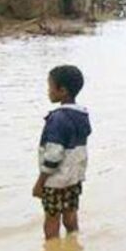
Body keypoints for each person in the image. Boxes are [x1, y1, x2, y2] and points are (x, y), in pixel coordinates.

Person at [33, 65, 92, 240]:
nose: (48, 91)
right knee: (70, 214)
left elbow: (53, 155)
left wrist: (40, 182)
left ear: (62, 91)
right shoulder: (82, 115)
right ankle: (73, 245)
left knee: (51, 219)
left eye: (50, 87)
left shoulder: (57, 118)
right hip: (74, 177)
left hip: (55, 180)